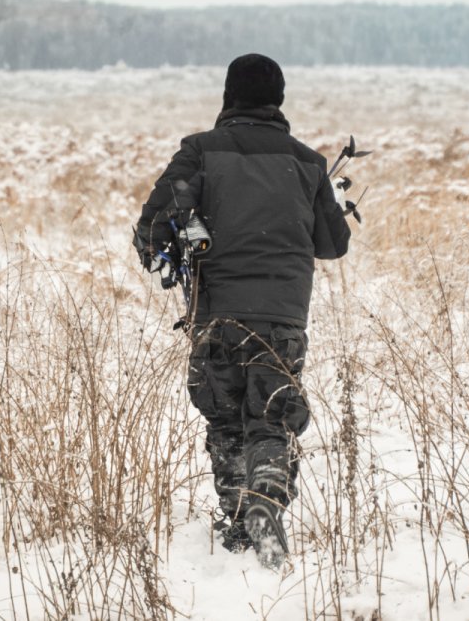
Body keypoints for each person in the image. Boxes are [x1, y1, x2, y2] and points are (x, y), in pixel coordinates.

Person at [133, 54, 351, 568]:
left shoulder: (200, 152)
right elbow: (333, 244)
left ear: (229, 95)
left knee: (226, 417)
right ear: (278, 98)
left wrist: (171, 246)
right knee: (272, 414)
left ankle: (237, 524)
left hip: (218, 313)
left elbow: (151, 228)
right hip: (283, 316)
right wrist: (330, 198)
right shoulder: (308, 162)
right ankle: (267, 493)